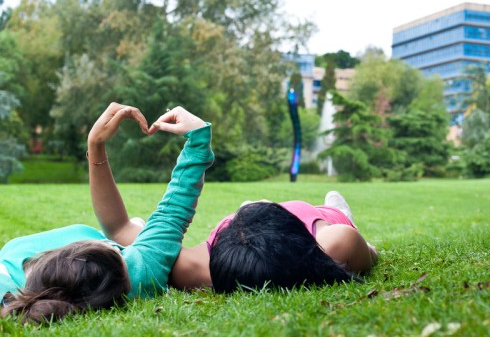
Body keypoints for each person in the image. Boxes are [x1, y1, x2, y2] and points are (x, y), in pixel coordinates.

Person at [0, 103, 214, 323]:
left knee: (130, 228)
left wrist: (95, 143)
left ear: (51, 256)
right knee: (131, 229)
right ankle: (137, 226)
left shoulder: (13, 270)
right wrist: (198, 141)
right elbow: (171, 215)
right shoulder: (137, 273)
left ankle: (136, 226)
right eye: (118, 249)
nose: (114, 244)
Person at [169, 191, 378, 292]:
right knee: (339, 225)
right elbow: (370, 253)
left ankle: (340, 212)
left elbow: (155, 239)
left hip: (300, 222)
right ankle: (253, 207)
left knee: (336, 217)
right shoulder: (337, 243)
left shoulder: (335, 240)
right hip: (239, 227)